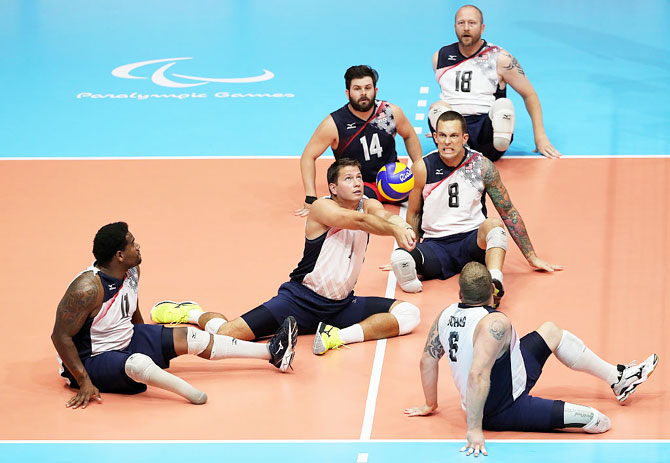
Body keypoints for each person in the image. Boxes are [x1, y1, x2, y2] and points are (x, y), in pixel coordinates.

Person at [153, 159, 421, 355]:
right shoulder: (322, 208)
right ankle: (194, 313)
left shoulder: (367, 204)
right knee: (225, 335)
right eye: (348, 179)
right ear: (333, 187)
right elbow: (360, 221)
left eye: (359, 178)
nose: (357, 183)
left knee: (409, 314)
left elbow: (382, 214)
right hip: (300, 300)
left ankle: (336, 336)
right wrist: (395, 230)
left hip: (340, 307)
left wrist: (402, 226)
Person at [405, 262, 658, 457]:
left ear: (460, 292)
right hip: (502, 408)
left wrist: (430, 404)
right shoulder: (495, 322)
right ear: (492, 292)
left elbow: (427, 361)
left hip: (512, 375)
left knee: (551, 331)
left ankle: (618, 379)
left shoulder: (444, 315)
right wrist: (474, 429)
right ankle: (598, 402)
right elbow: (477, 375)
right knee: (599, 421)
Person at [51, 222, 297, 410]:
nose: (138, 246)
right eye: (132, 243)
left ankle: (271, 353)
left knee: (191, 336)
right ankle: (189, 393)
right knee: (137, 363)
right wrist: (83, 380)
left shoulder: (132, 269)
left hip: (125, 337)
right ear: (119, 255)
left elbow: (131, 305)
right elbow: (60, 336)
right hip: (92, 358)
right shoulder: (87, 289)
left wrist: (150, 338)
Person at [389, 110, 561, 303]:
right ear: (435, 137)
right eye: (443, 135)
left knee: (494, 225)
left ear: (465, 138)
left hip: (473, 243)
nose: (447, 141)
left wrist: (531, 256)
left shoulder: (481, 166)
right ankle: (410, 279)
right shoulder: (422, 168)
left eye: (454, 136)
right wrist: (408, 250)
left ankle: (494, 282)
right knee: (399, 258)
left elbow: (508, 211)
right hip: (436, 245)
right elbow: (414, 213)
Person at [427, 4, 561, 161]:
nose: (466, 28)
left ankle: (484, 147)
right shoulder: (440, 57)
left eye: (472, 23)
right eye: (461, 23)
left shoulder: (500, 58)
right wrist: (442, 127)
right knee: (437, 108)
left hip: (486, 132)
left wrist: (540, 137)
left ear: (482, 27)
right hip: (456, 130)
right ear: (455, 26)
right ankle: (448, 140)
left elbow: (529, 94)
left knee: (503, 105)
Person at [295, 65, 423, 217]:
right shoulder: (335, 123)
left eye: (368, 88)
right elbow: (308, 156)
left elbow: (409, 135)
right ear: (347, 93)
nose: (363, 93)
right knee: (371, 210)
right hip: (361, 185)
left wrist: (419, 168)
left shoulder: (390, 112)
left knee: (431, 197)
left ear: (375, 91)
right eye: (357, 89)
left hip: (394, 179)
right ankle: (396, 227)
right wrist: (310, 197)